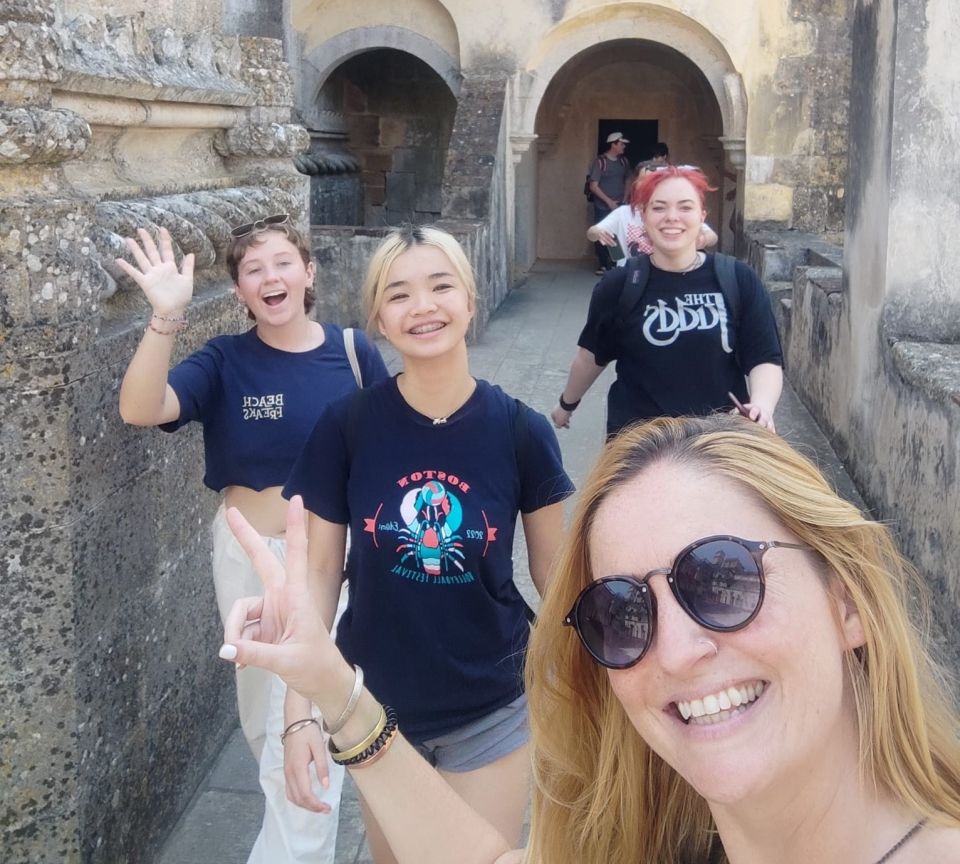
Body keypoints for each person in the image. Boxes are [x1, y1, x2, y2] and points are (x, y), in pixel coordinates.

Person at [220, 414, 960, 864]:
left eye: (723, 581)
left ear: (848, 601)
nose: (673, 651)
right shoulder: (672, 844)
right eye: (623, 613)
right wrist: (333, 689)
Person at [277, 225, 574, 864]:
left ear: (469, 298)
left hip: (492, 701)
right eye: (398, 294)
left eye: (441, 286)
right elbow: (322, 572)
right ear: (378, 318)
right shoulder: (347, 427)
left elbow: (556, 574)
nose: (423, 308)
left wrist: (599, 676)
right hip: (374, 707)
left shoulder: (521, 431)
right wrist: (298, 711)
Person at [117, 215, 389, 864]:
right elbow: (139, 408)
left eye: (282, 262)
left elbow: (387, 451)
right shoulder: (225, 361)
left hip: (331, 563)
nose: (271, 277)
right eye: (253, 269)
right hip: (247, 558)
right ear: (239, 291)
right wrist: (165, 318)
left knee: (304, 726)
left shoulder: (353, 353)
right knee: (265, 722)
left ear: (309, 272)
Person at [553, 165, 783, 437]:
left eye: (685, 207)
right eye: (659, 208)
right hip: (641, 445)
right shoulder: (620, 283)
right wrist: (566, 404)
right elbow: (591, 356)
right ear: (643, 216)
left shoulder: (737, 278)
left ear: (702, 216)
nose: (672, 217)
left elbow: (764, 356)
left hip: (718, 444)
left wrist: (761, 406)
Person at [586, 162, 719, 266]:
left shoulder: (680, 215)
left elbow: (711, 236)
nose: (671, 217)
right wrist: (597, 233)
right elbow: (593, 232)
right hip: (631, 276)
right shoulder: (623, 213)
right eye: (644, 179)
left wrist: (703, 240)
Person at [587, 132, 632, 275]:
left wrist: (624, 198)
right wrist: (609, 201)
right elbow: (593, 186)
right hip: (602, 205)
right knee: (601, 233)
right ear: (613, 144)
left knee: (617, 234)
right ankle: (602, 264)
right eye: (621, 144)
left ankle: (614, 263)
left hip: (619, 203)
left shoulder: (623, 161)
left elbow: (628, 180)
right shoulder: (600, 162)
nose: (624, 146)